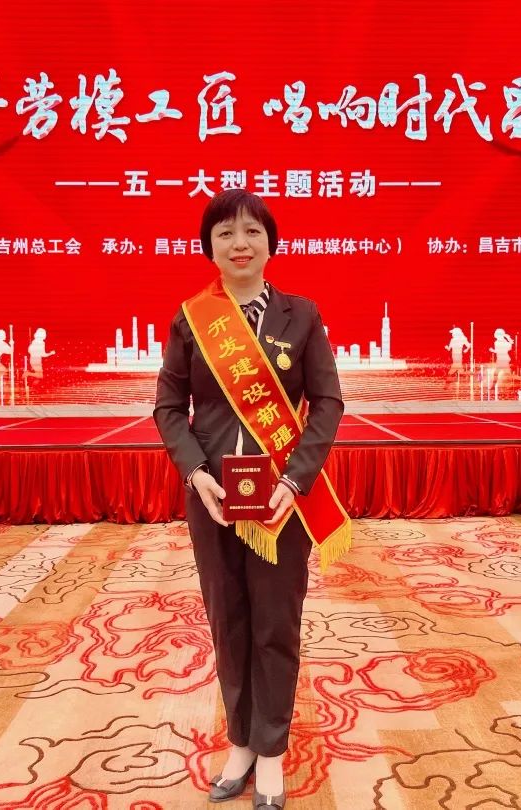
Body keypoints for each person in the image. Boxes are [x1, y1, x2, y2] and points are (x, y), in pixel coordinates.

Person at [154, 189, 349, 808]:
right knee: (228, 621)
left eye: (251, 232)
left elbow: (327, 403)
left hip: (280, 501)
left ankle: (270, 751)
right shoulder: (192, 319)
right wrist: (195, 474)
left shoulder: (301, 315)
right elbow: (168, 408)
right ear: (209, 247)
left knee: (274, 624)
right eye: (225, 234)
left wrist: (295, 480)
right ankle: (239, 741)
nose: (239, 244)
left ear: (270, 243)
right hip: (213, 498)